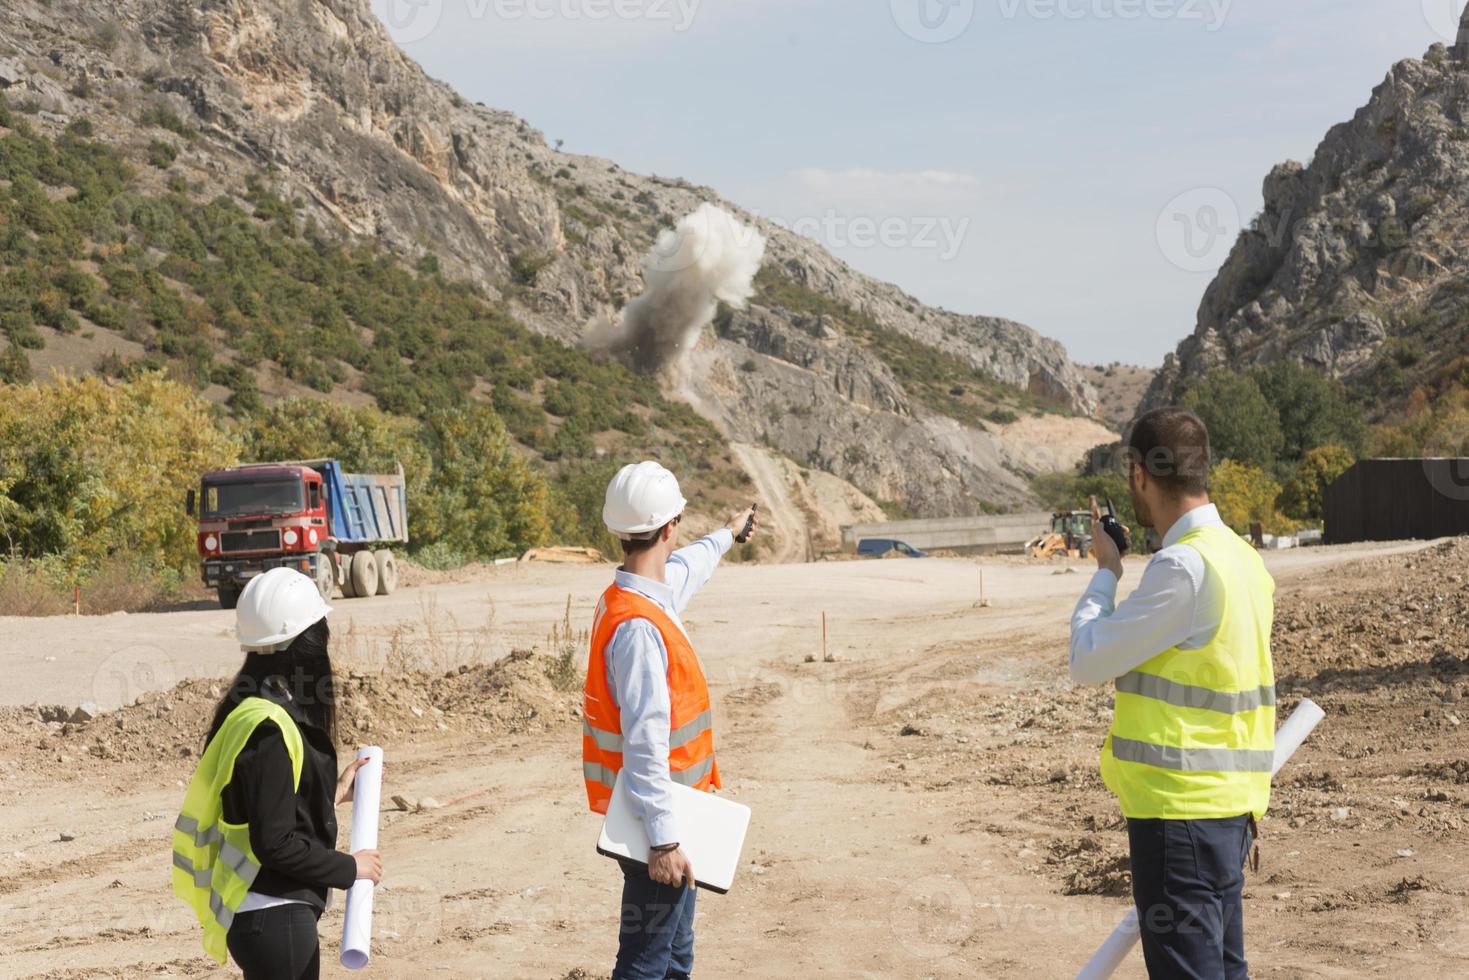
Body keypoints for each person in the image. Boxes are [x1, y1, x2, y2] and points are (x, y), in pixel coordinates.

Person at [1069, 408, 1276, 980]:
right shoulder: (1244, 560)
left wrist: (1107, 571)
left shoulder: (1184, 567)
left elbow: (1087, 658)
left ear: (1139, 475)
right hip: (1230, 813)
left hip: (1178, 820)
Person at [582, 460, 757, 980]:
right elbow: (645, 742)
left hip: (673, 815)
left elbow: (685, 569)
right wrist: (663, 842)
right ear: (669, 526)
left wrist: (727, 534)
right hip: (655, 823)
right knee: (646, 963)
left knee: (676, 958)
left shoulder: (633, 597)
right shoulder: (638, 629)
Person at [173, 567, 384, 979]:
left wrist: (332, 791)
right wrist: (349, 868)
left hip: (259, 916)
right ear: (309, 640)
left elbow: (261, 806)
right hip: (274, 917)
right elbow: (274, 843)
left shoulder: (249, 708)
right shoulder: (269, 727)